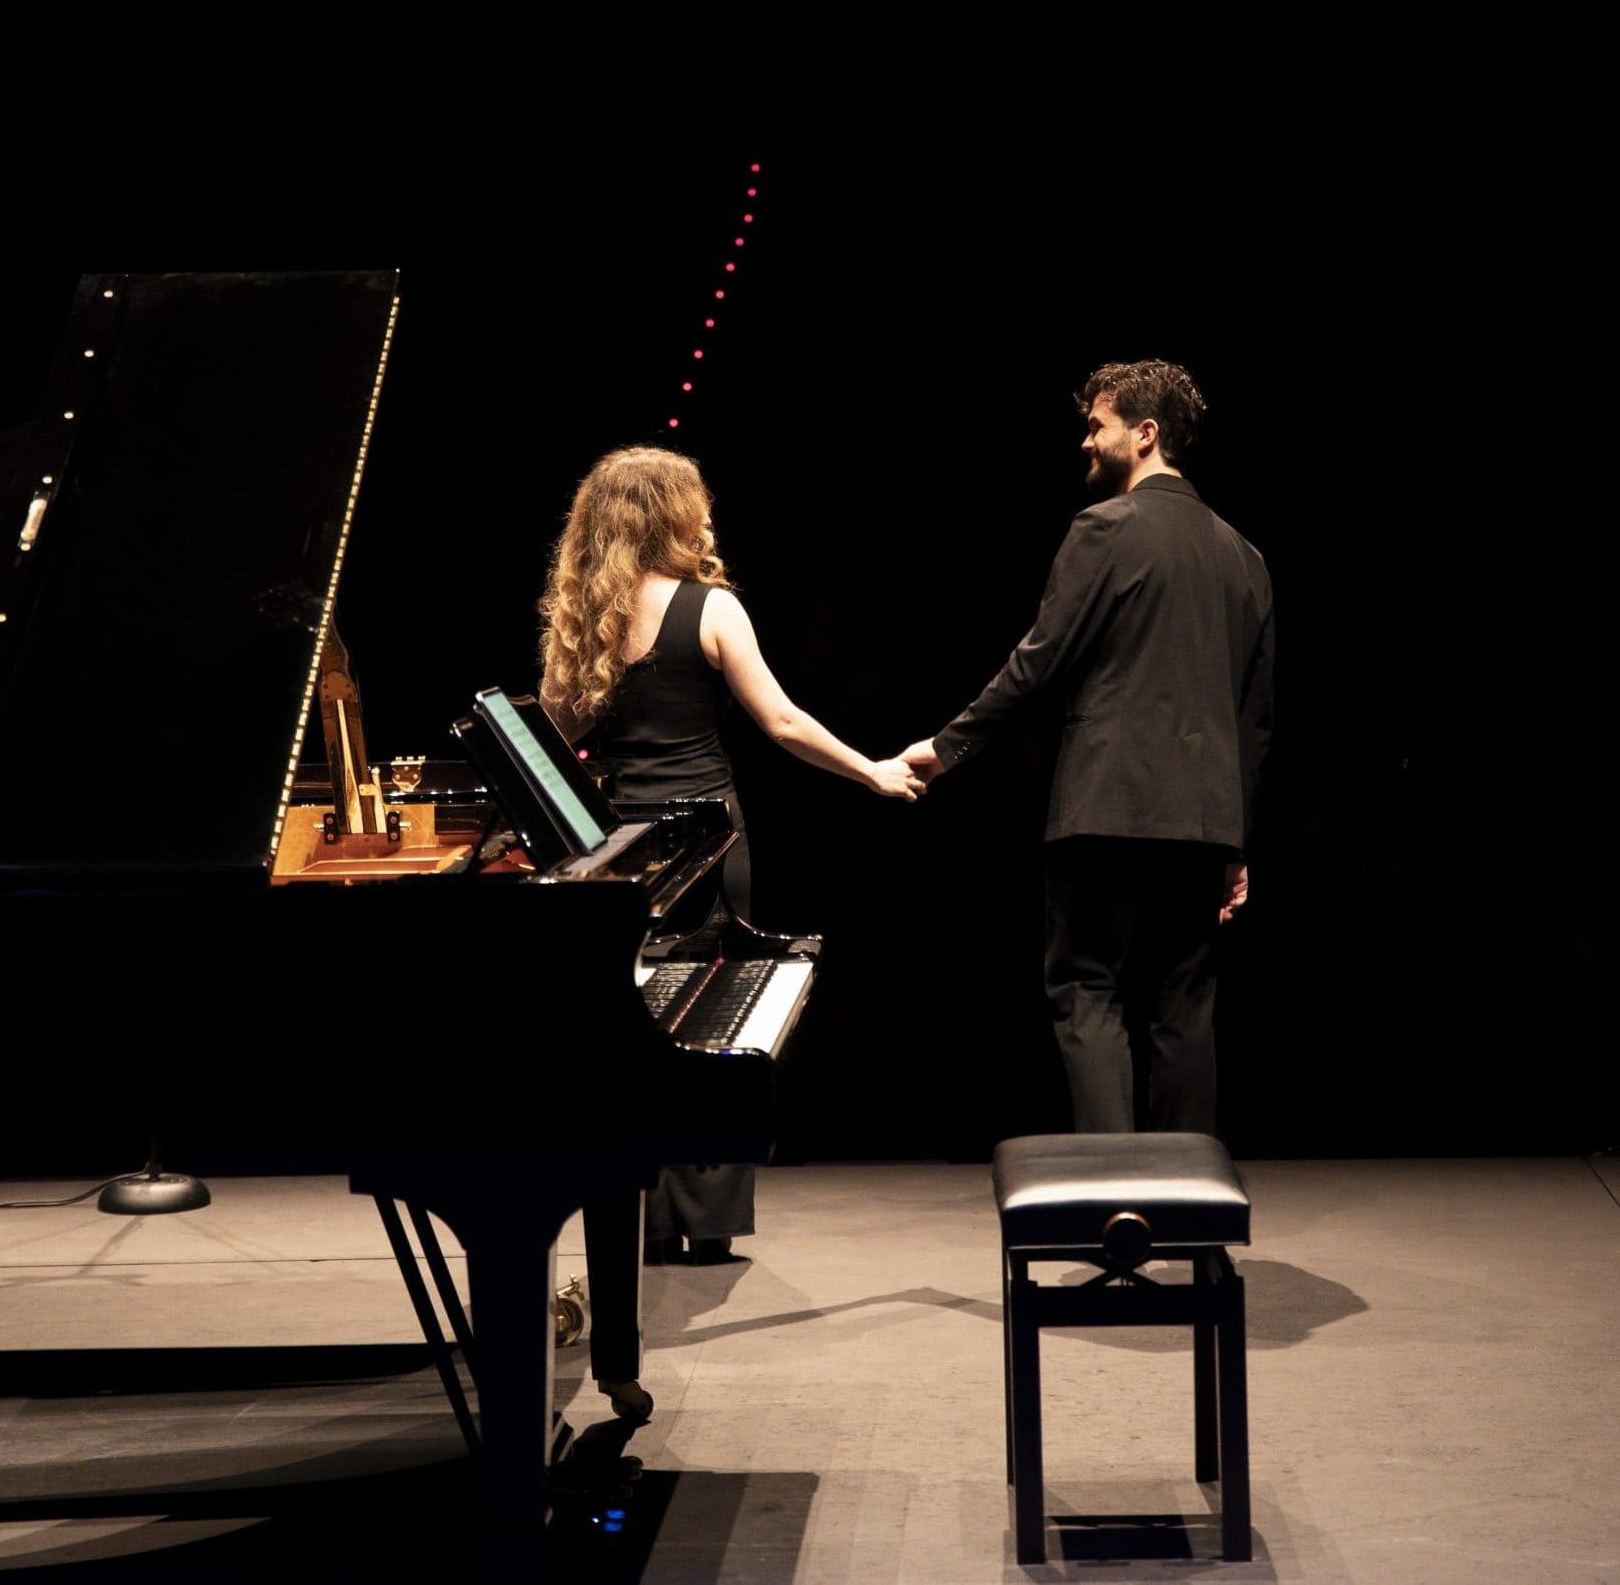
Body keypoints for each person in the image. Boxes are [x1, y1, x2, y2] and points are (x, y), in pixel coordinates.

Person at [539, 445, 922, 1261]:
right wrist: (871, 770)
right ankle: (706, 1226)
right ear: (671, 514)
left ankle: (641, 1220)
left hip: (621, 854)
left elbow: (551, 741)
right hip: (708, 845)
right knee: (711, 1024)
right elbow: (779, 721)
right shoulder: (711, 608)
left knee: (633, 1028)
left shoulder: (584, 619)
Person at [900, 361, 1273, 1135]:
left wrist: (948, 745)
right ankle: (1184, 1195)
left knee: (1086, 989)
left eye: (1097, 425)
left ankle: (1114, 1187)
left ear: (1145, 433)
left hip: (1105, 808)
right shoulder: (1245, 557)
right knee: (1183, 1005)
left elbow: (1038, 661)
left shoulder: (1102, 528)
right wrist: (1234, 842)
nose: (1085, 441)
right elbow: (1254, 719)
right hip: (1204, 820)